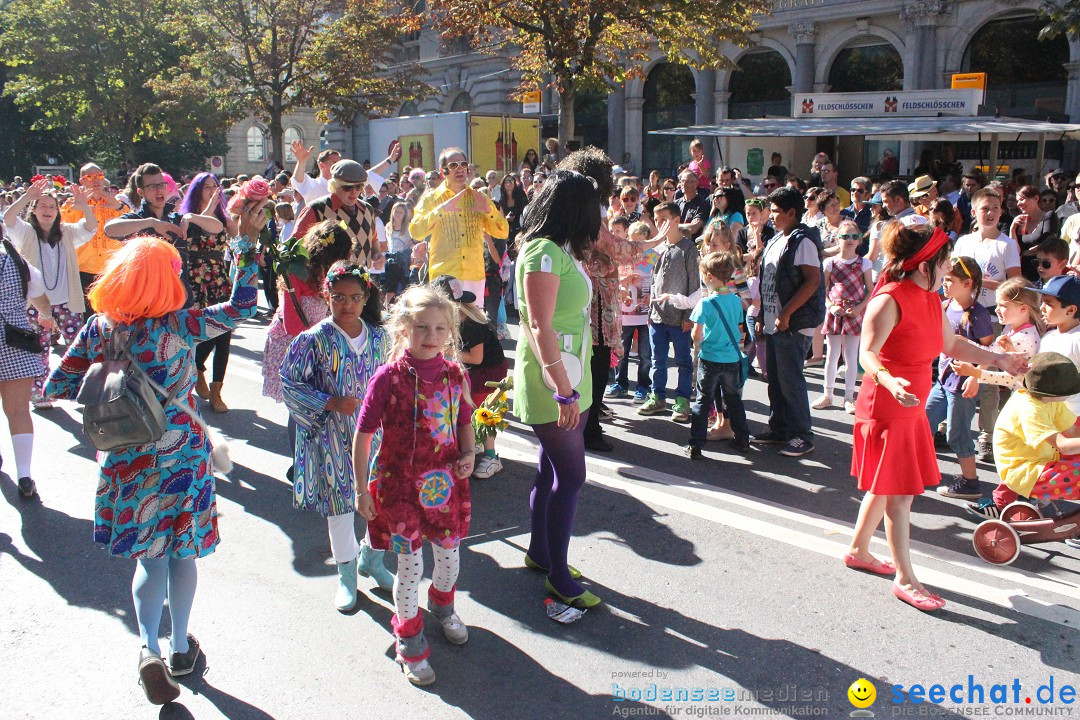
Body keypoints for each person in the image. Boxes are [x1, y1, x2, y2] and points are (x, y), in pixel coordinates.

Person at [43, 204, 264, 704]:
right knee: (182, 554)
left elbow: (59, 384)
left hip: (125, 459)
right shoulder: (182, 325)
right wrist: (245, 245)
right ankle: (181, 646)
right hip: (183, 455)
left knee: (149, 557)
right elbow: (242, 307)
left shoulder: (101, 329)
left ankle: (148, 649)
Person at [846, 223, 1025, 611]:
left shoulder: (929, 298)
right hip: (888, 406)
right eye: (944, 262)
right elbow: (867, 354)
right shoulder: (889, 299)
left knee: (886, 485)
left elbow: (951, 343)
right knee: (900, 494)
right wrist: (890, 381)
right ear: (925, 264)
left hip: (908, 405)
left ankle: (860, 549)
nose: (948, 270)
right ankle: (905, 579)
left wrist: (997, 359)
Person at [352, 285, 475, 687]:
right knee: (410, 567)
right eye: (422, 326)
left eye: (441, 328)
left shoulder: (456, 373)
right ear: (404, 328)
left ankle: (443, 605)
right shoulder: (388, 378)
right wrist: (361, 489)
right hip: (400, 487)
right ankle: (410, 638)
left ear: (450, 332)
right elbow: (364, 433)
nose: (432, 335)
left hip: (444, 486)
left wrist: (470, 453)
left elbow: (463, 422)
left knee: (450, 559)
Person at [280, 262, 393, 612]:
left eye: (355, 297)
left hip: (376, 436)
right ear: (327, 296)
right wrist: (329, 402)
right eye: (339, 297)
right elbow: (290, 383)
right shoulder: (312, 340)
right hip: (330, 437)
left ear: (366, 297)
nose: (347, 304)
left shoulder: (380, 337)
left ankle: (372, 558)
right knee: (340, 504)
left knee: (382, 498)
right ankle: (347, 575)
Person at [513, 170, 601, 610]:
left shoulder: (555, 248)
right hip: (555, 380)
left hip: (569, 375)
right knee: (571, 477)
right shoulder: (543, 252)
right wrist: (563, 389)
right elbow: (538, 324)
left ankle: (541, 553)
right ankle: (559, 576)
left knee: (550, 470)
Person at [262, 221, 362, 476]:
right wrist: (318, 342)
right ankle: (300, 464)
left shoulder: (330, 278)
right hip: (293, 349)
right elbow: (292, 323)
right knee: (301, 407)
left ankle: (317, 460)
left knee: (321, 407)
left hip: (319, 348)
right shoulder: (295, 273)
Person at [3, 178, 97, 408]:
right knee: (40, 347)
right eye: (42, 206)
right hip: (36, 303)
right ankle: (40, 392)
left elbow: (91, 227)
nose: (47, 210)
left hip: (66, 301)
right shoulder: (25, 232)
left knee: (77, 345)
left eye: (52, 207)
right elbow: (7, 220)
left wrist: (84, 204)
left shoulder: (67, 232)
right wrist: (26, 197)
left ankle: (80, 388)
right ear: (34, 211)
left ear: (58, 212)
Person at [966, 351, 1080, 522]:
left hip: (1036, 460)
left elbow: (1073, 432)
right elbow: (1063, 445)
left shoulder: (1048, 401)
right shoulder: (1029, 410)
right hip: (1021, 471)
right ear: (1054, 392)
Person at [753, 186, 824, 457]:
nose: (771, 216)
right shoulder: (776, 240)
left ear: (792, 213)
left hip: (793, 323)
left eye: (776, 211)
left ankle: (802, 434)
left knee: (791, 379)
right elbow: (767, 282)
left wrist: (786, 313)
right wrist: (762, 314)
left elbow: (812, 280)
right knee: (776, 379)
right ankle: (779, 428)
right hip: (773, 320)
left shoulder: (802, 241)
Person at [954, 187, 1023, 460]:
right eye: (985, 208)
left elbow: (1016, 283)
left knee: (989, 379)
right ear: (974, 212)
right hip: (963, 315)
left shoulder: (1006, 245)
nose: (991, 213)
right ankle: (954, 423)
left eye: (995, 208)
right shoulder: (964, 242)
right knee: (956, 369)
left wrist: (982, 282)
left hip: (992, 316)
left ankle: (988, 434)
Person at [926, 257, 994, 499]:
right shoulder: (946, 306)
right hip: (943, 381)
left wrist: (977, 376)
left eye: (950, 280)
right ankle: (922, 470)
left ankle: (970, 482)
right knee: (924, 421)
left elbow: (989, 350)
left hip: (963, 385)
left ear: (968, 284)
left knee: (958, 433)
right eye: (944, 278)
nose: (944, 283)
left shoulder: (977, 315)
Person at [409, 148, 510, 303]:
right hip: (444, 276)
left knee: (474, 326)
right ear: (444, 171)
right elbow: (415, 231)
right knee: (445, 325)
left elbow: (503, 232)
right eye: (454, 166)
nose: (460, 169)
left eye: (463, 165)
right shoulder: (431, 199)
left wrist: (489, 210)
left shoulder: (479, 198)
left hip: (473, 276)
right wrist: (441, 210)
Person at [432, 275, 507, 478]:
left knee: (484, 411)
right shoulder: (455, 318)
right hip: (476, 370)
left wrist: (445, 351)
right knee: (468, 407)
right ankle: (475, 444)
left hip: (489, 372)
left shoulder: (470, 324)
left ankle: (492, 456)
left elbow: (476, 358)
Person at [0, 229, 56, 498]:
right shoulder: (16, 260)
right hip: (15, 342)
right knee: (18, 410)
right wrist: (45, 315)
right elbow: (41, 298)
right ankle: (24, 475)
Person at [178, 173, 238, 413]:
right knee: (202, 332)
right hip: (195, 279)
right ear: (196, 191)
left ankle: (216, 390)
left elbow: (234, 233)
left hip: (218, 278)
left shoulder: (221, 216)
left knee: (224, 333)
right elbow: (188, 231)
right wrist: (203, 213)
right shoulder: (186, 217)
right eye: (207, 187)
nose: (213, 191)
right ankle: (198, 368)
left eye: (216, 187)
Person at [684, 251, 751, 458]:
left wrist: (697, 346)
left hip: (710, 358)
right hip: (731, 358)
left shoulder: (705, 304)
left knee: (703, 401)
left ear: (709, 276)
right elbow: (739, 329)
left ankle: (696, 444)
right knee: (733, 399)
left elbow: (697, 334)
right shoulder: (736, 301)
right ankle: (742, 438)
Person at [638, 202, 700, 423]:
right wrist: (649, 308)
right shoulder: (658, 248)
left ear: (676, 220)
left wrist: (687, 316)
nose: (659, 223)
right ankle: (658, 396)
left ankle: (682, 399)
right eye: (656, 219)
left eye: (664, 219)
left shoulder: (689, 250)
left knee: (683, 361)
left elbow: (695, 285)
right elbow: (651, 278)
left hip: (680, 317)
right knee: (658, 360)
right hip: (657, 316)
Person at [813, 221, 873, 413]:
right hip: (835, 313)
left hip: (854, 313)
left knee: (851, 355)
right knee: (831, 354)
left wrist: (859, 309)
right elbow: (823, 289)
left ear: (860, 240)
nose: (849, 240)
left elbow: (869, 291)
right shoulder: (830, 262)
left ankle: (848, 397)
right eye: (845, 236)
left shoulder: (864, 263)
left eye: (854, 237)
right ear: (838, 239)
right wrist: (830, 306)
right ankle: (828, 394)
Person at [60, 163, 130, 300]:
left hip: (111, 268)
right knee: (87, 314)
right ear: (82, 181)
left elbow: (130, 224)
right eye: (90, 177)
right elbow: (60, 223)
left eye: (99, 176)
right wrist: (77, 206)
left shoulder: (115, 202)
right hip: (83, 269)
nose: (96, 180)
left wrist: (119, 207)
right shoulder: (71, 203)